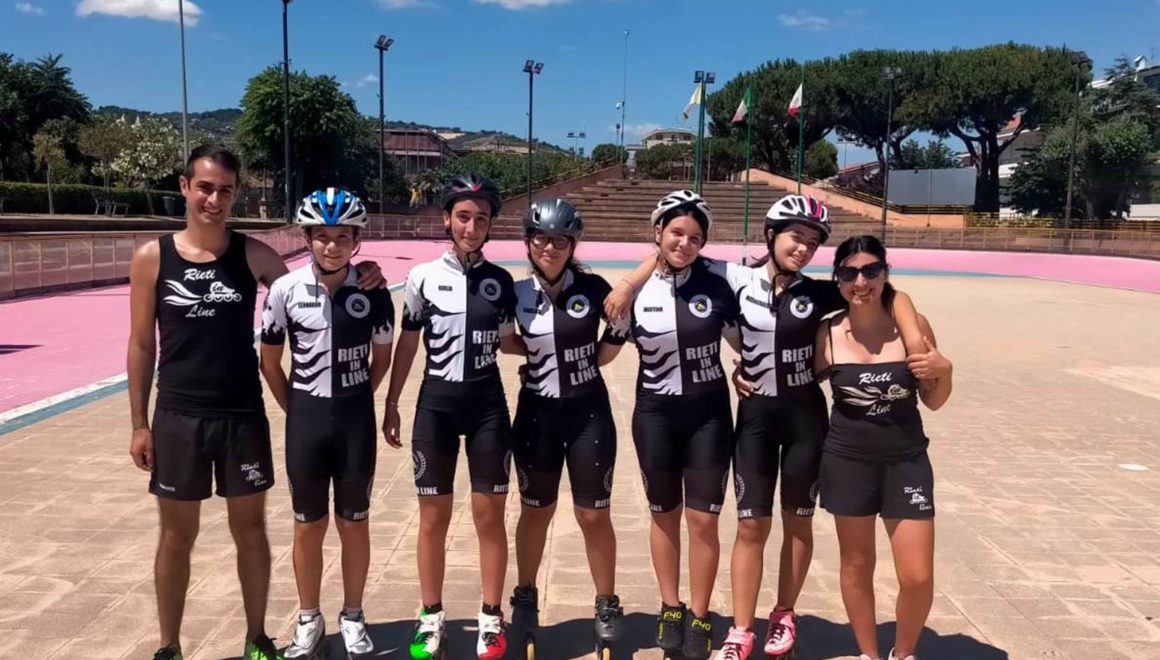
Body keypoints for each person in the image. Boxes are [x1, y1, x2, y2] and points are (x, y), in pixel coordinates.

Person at [607, 194, 926, 660]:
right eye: (796, 237)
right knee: (751, 525)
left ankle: (784, 613)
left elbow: (890, 295)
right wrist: (627, 283)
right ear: (772, 235)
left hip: (805, 421)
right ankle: (740, 630)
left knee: (798, 524)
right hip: (755, 422)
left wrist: (915, 337)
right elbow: (671, 252)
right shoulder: (733, 278)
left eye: (813, 242)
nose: (803, 249)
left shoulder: (819, 292)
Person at [127, 145, 383, 660]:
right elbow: (140, 344)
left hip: (242, 414)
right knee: (175, 535)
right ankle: (169, 645)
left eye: (225, 190)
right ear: (184, 187)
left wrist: (365, 270)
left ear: (235, 194)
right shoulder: (152, 257)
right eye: (205, 187)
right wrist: (139, 422)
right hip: (178, 412)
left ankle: (257, 637)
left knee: (251, 530)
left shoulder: (256, 255)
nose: (214, 199)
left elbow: (311, 285)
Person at [382, 174, 521, 660]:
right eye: (463, 217)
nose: (471, 227)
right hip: (435, 408)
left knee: (489, 517)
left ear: (490, 225)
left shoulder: (501, 281)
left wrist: (559, 348)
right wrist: (392, 402)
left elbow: (510, 341)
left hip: (487, 409)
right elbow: (408, 343)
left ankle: (491, 619)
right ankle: (430, 618)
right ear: (446, 219)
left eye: (481, 219)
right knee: (433, 519)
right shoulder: (421, 277)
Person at [259, 188, 395, 660]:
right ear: (307, 239)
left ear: (356, 241)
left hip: (355, 420)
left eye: (342, 237)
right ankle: (309, 620)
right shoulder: (284, 290)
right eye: (322, 236)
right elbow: (270, 362)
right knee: (307, 526)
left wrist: (358, 397)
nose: (332, 246)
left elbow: (382, 357)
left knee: (354, 524)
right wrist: (296, 409)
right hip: (306, 421)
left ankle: (353, 616)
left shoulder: (375, 292)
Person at [606, 190, 741, 659]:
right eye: (676, 233)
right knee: (663, 517)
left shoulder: (719, 284)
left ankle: (700, 615)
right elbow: (603, 354)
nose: (685, 243)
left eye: (695, 237)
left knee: (703, 520)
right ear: (658, 232)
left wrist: (750, 370)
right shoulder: (635, 292)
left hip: (708, 417)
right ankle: (670, 607)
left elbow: (745, 343)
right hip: (655, 416)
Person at [814, 235, 952, 660]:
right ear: (838, 280)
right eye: (849, 273)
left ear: (885, 273)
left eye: (871, 271)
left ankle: (903, 652)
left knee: (917, 576)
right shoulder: (827, 332)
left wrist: (946, 370)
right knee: (857, 565)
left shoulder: (914, 326)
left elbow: (934, 400)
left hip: (905, 461)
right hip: (846, 462)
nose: (861, 282)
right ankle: (869, 653)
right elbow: (795, 381)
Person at [506, 199, 627, 654]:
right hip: (536, 414)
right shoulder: (514, 292)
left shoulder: (594, 288)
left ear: (573, 245)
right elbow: (506, 340)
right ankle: (525, 595)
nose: (550, 247)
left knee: (593, 514)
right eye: (541, 238)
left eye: (560, 240)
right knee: (535, 510)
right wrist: (542, 359)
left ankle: (607, 602)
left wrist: (585, 363)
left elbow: (616, 334)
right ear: (528, 242)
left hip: (587, 413)